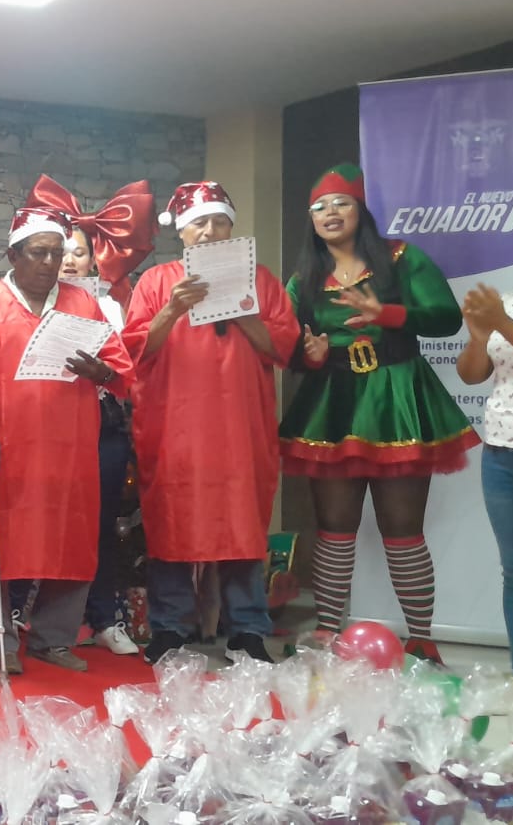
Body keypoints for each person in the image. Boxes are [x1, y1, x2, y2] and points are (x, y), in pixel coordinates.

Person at [280, 164, 479, 664]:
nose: (329, 213)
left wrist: (386, 314)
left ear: (361, 209)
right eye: (319, 207)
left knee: (403, 528)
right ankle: (327, 631)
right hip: (333, 404)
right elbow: (285, 341)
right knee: (334, 526)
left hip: (397, 398)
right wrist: (309, 355)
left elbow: (446, 318)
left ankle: (421, 639)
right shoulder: (304, 277)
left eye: (340, 203)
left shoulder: (403, 259)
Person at [123, 182, 299, 664]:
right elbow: (134, 351)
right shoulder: (157, 281)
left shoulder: (261, 281)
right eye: (199, 223)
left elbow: (282, 348)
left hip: (241, 427)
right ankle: (169, 627)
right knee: (173, 523)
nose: (210, 230)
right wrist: (173, 309)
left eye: (220, 222)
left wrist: (242, 310)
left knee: (241, 524)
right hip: (175, 426)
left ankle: (248, 629)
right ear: (182, 233)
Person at [0, 207, 133, 675]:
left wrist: (99, 371)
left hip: (68, 445)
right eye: (38, 253)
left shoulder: (82, 302)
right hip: (1, 444)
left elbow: (119, 367)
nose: (50, 262)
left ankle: (53, 639)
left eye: (56, 253)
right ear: (13, 255)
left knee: (69, 538)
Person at [34, 174, 158, 658]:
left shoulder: (113, 305)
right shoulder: (24, 302)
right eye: (59, 251)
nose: (68, 260)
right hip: (44, 424)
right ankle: (31, 614)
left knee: (101, 523)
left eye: (78, 252)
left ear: (93, 258)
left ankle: (103, 617)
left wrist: (104, 372)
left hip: (102, 424)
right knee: (40, 520)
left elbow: (128, 370)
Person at [456, 283, 513, 675]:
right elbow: (470, 374)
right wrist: (479, 338)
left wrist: (500, 321)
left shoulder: (502, 311)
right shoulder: (508, 301)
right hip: (500, 452)